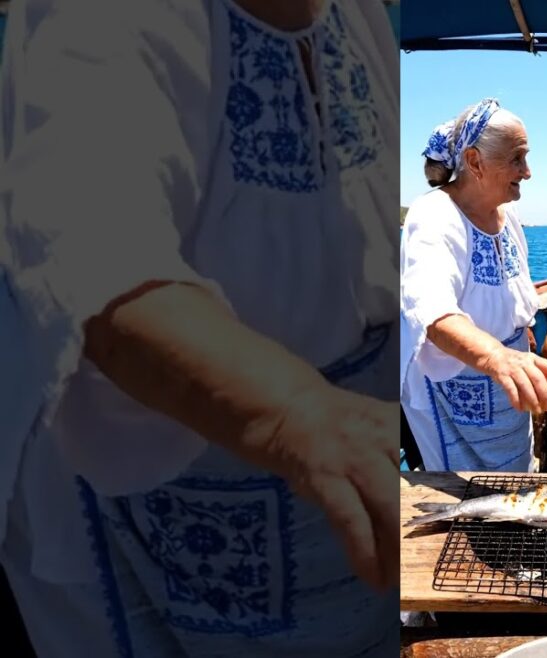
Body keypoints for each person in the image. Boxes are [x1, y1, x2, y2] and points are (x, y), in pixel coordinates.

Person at [0, 0, 404, 655]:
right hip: (174, 493)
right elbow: (92, 254)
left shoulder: (358, 13)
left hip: (331, 508)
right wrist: (294, 413)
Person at [400, 98, 547, 473]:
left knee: (514, 479)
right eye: (517, 159)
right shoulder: (434, 215)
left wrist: (522, 333)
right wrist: (496, 357)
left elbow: (512, 287)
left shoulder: (509, 213)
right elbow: (434, 314)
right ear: (474, 161)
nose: (527, 171)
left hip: (507, 384)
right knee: (465, 496)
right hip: (456, 391)